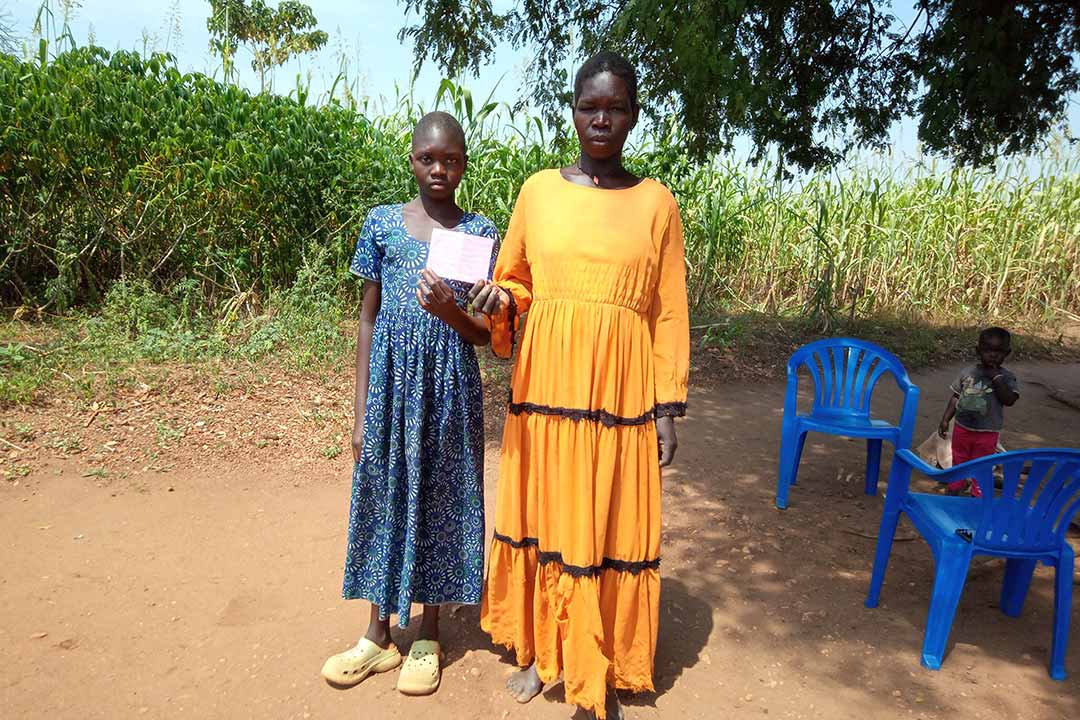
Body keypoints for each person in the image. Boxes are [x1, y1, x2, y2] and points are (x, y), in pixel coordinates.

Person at [470, 52, 690, 720]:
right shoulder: (537, 191)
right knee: (549, 512)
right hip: (548, 385)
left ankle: (597, 659)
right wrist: (498, 299)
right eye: (589, 106)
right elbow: (516, 279)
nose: (602, 119)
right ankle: (546, 651)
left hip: (620, 393)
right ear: (571, 110)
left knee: (605, 516)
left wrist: (666, 403)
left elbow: (669, 307)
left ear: (634, 115)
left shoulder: (657, 203)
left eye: (615, 107)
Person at [321, 112, 499, 696]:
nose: (440, 169)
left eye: (451, 159)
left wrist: (449, 307)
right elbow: (367, 320)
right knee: (385, 497)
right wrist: (359, 410)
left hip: (449, 390)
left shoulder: (479, 233)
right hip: (392, 392)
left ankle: (428, 632)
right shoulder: (382, 224)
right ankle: (377, 634)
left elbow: (483, 334)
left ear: (464, 163)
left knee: (442, 498)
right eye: (429, 158)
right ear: (413, 159)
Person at [937, 326, 1020, 496]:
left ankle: (978, 495)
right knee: (959, 460)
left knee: (982, 465)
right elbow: (956, 396)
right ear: (978, 351)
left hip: (987, 432)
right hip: (962, 428)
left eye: (998, 351)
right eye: (988, 350)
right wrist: (945, 419)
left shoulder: (1007, 378)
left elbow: (1009, 400)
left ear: (1007, 353)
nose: (993, 355)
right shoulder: (968, 373)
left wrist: (996, 378)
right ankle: (954, 489)